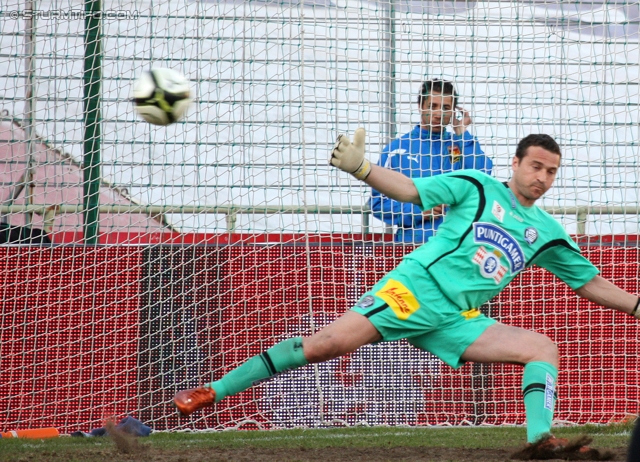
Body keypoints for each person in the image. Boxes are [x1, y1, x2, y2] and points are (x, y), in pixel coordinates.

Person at [174, 130, 637, 459]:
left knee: (542, 349)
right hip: (413, 291)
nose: (542, 177)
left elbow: (589, 282)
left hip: (458, 318)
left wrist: (636, 304)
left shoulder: (547, 231)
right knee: (324, 346)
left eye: (551, 172)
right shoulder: (477, 186)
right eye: (536, 166)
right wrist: (362, 167)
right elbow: (413, 191)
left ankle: (541, 445)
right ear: (515, 164)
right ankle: (211, 390)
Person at [370, 79, 492, 243]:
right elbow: (377, 203)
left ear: (453, 112)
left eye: (445, 108)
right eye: (432, 106)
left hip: (458, 245)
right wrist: (417, 211)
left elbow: (483, 176)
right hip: (413, 245)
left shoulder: (461, 144)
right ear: (420, 106)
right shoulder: (397, 150)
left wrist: (462, 133)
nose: (438, 113)